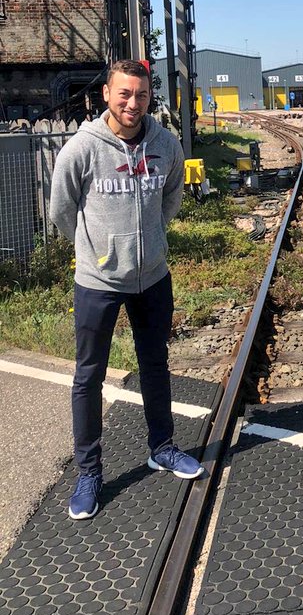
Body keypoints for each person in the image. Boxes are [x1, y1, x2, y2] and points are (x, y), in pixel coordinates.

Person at [51, 60, 206, 521]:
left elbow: (172, 195)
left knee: (155, 363)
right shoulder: (82, 149)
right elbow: (61, 211)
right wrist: (96, 253)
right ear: (106, 95)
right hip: (97, 282)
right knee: (89, 376)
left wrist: (153, 237)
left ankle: (162, 447)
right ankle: (89, 472)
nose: (132, 104)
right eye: (123, 94)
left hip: (153, 276)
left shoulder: (166, 144)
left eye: (140, 95)